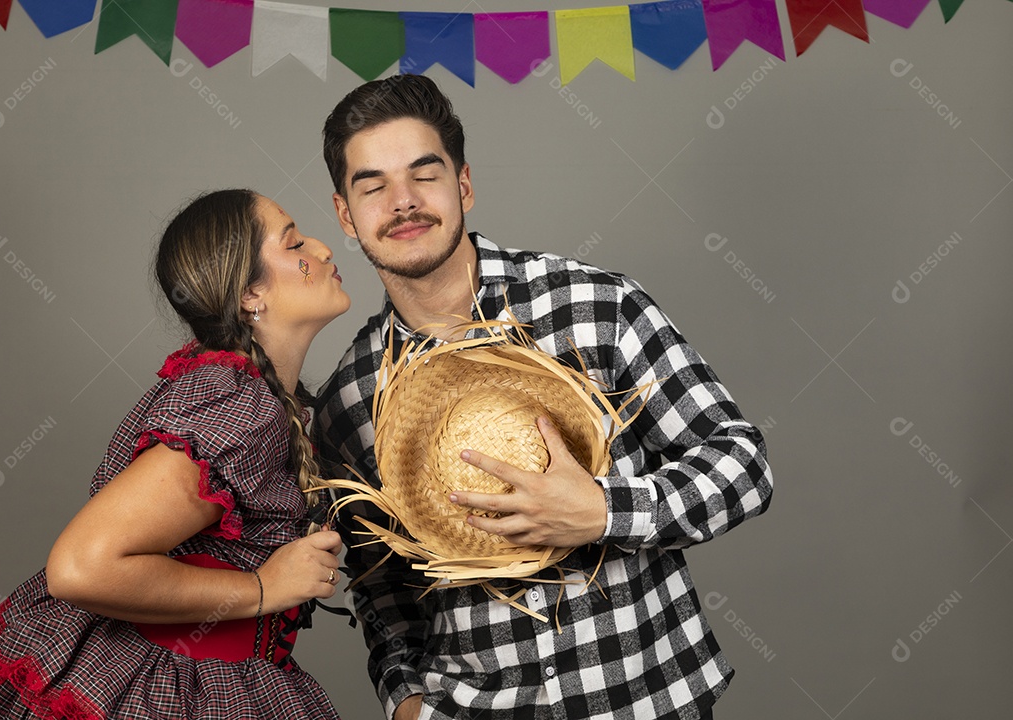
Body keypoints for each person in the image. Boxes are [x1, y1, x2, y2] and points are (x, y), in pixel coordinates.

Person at [315, 75, 774, 720]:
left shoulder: (592, 305)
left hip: (644, 701)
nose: (404, 202)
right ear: (345, 214)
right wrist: (406, 700)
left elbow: (743, 466)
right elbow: (383, 584)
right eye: (374, 186)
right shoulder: (351, 400)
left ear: (464, 184)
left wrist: (604, 512)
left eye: (425, 174)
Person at [0, 189, 350, 720]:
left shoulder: (263, 397)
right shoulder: (239, 402)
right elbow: (81, 567)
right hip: (164, 689)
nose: (322, 249)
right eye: (294, 241)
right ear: (250, 294)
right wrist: (260, 587)